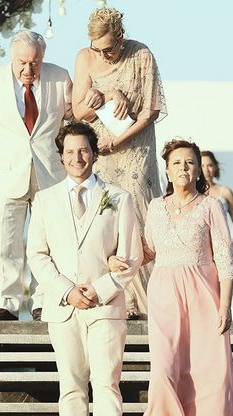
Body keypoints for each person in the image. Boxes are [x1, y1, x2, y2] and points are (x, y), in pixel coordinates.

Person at [27, 122, 143, 416]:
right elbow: (37, 255)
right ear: (61, 157)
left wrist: (101, 287)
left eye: (83, 150)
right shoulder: (44, 200)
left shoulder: (119, 197)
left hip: (106, 307)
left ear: (93, 153)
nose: (78, 158)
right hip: (63, 309)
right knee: (71, 386)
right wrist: (66, 289)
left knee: (107, 383)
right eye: (70, 152)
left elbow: (131, 257)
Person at [135, 139, 233, 416]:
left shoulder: (211, 207)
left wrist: (225, 306)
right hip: (164, 295)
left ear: (199, 170)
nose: (183, 167)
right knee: (164, 372)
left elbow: (225, 259)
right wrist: (118, 256)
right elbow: (147, 250)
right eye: (177, 162)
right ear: (166, 169)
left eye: (190, 162)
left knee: (206, 377)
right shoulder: (155, 207)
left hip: (204, 298)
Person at [0, 30, 72, 321]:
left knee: (47, 241)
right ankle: (6, 302)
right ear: (12, 58)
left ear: (42, 58)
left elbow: (74, 122)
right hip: (6, 172)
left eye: (34, 63)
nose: (28, 69)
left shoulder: (60, 78)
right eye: (22, 62)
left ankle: (44, 301)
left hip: (50, 172)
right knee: (4, 241)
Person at [72, 7, 165, 319]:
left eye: (109, 48)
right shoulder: (85, 58)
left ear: (121, 37)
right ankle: (112, 298)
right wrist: (106, 94)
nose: (104, 55)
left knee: (138, 218)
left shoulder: (142, 56)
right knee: (106, 220)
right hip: (101, 152)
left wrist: (120, 141)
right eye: (98, 48)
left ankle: (149, 303)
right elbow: (79, 113)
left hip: (135, 148)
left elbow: (150, 110)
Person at [201, 150, 233, 257]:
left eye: (210, 165)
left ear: (215, 167)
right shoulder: (193, 193)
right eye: (202, 166)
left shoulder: (225, 192)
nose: (206, 170)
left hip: (222, 247)